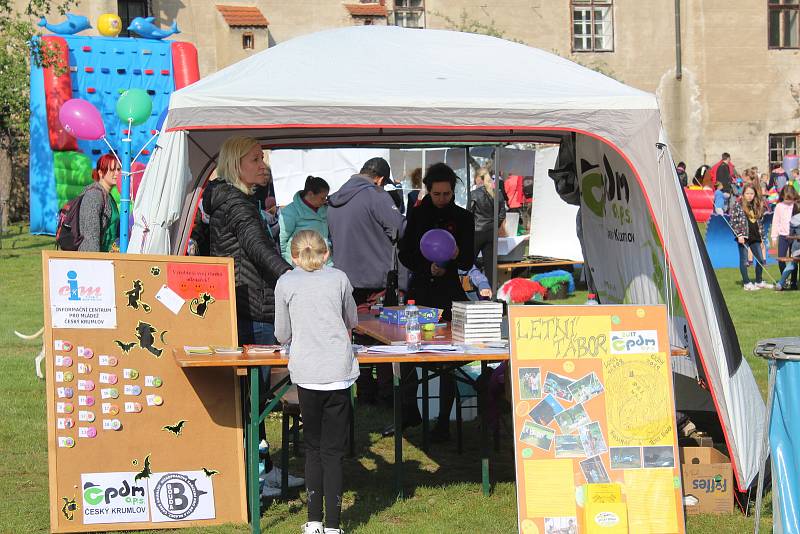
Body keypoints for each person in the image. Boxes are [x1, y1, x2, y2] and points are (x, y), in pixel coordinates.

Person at [202, 136, 302, 495]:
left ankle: (263, 469)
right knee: (254, 399)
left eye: (263, 158)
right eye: (256, 159)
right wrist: (297, 280)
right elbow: (258, 249)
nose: (264, 165)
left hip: (248, 305)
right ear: (235, 164)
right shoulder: (237, 203)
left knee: (254, 398)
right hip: (252, 310)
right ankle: (255, 477)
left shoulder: (238, 200)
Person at [274, 230, 358, 534]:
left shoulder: (285, 282)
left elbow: (281, 332)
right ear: (326, 253)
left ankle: (313, 521)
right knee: (333, 452)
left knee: (313, 448)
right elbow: (353, 319)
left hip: (307, 373)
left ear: (292, 255)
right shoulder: (339, 278)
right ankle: (334, 525)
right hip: (338, 371)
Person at [399, 162, 475, 441]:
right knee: (409, 352)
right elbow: (406, 253)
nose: (443, 199)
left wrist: (455, 255)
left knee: (448, 362)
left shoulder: (464, 218)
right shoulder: (418, 215)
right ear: (428, 191)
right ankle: (409, 410)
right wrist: (425, 267)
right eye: (438, 194)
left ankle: (444, 420)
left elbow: (468, 259)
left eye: (447, 194)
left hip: (448, 295)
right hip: (421, 294)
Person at [327, 157, 404, 404]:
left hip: (345, 279)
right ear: (380, 179)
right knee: (381, 336)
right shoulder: (376, 195)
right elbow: (401, 228)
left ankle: (363, 390)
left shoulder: (335, 199)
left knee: (355, 334)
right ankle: (384, 394)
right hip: (376, 279)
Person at [279, 176, 331, 266]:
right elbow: (282, 241)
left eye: (326, 198)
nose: (324, 201)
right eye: (322, 198)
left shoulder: (325, 209)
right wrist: (286, 263)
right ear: (310, 194)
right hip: (300, 263)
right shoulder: (290, 212)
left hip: (323, 261)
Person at [470, 167, 506, 287]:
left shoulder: (474, 194)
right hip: (491, 231)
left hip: (477, 231)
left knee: (468, 262)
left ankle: (472, 286)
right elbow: (502, 215)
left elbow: (469, 213)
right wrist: (495, 226)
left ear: (479, 179)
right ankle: (491, 291)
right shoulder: (498, 193)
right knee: (490, 265)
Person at [78, 153, 120, 252]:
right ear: (101, 173)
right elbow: (90, 236)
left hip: (109, 258)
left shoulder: (109, 197)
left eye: (118, 169)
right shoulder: (93, 196)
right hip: (95, 259)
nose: (117, 173)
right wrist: (94, 262)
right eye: (112, 170)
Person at [730, 183, 769, 290]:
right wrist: (739, 235)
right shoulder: (737, 206)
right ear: (743, 194)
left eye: (752, 193)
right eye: (747, 193)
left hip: (755, 237)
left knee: (761, 259)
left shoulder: (756, 206)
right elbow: (733, 222)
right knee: (744, 260)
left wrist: (762, 238)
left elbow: (760, 223)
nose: (749, 196)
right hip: (744, 237)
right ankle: (747, 283)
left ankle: (758, 281)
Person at [771, 185, 799, 290]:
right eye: (786, 199)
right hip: (783, 236)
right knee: (781, 259)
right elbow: (775, 222)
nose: (788, 201)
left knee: (794, 259)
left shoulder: (796, 205)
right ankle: (784, 280)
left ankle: (793, 282)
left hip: (795, 237)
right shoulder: (779, 206)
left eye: (790, 199)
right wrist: (774, 237)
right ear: (782, 196)